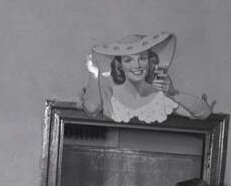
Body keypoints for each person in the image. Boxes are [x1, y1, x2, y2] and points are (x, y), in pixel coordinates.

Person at [80, 32, 212, 123]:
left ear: (150, 61)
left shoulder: (158, 96)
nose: (136, 66)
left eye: (142, 58)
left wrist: (173, 93)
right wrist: (94, 71)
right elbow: (91, 108)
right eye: (128, 60)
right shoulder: (110, 94)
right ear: (120, 65)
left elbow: (204, 113)